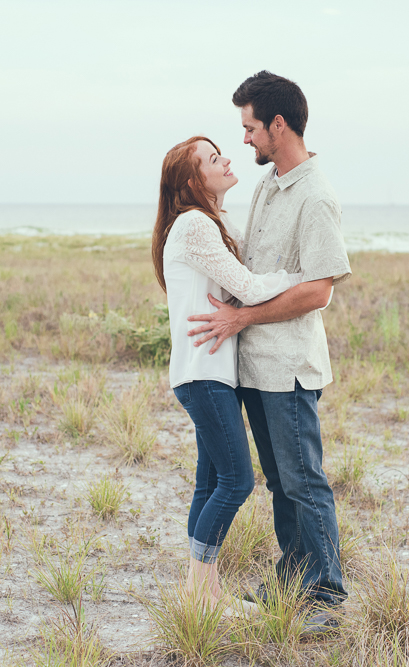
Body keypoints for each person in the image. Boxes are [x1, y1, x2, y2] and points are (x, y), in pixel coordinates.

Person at [186, 71, 352, 633]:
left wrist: (242, 317)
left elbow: (319, 289)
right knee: (282, 483)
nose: (245, 139)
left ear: (278, 125)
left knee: (305, 482)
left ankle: (325, 597)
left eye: (250, 127)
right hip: (254, 366)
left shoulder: (315, 196)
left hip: (289, 368)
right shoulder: (267, 186)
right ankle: (294, 579)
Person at [151, 135, 303, 612]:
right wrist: (303, 280)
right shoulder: (195, 224)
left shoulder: (208, 222)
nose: (228, 160)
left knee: (211, 481)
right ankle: (199, 592)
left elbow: (234, 293)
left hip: (207, 373)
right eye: (214, 160)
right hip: (204, 374)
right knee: (236, 481)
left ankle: (205, 593)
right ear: (194, 181)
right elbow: (249, 287)